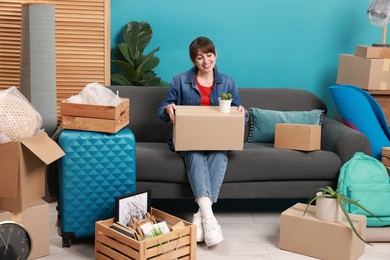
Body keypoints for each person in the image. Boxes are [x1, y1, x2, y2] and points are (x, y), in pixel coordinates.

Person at [157, 36, 247, 247]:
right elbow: (161, 110)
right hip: (190, 141)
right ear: (193, 60)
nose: (206, 61)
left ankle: (201, 215)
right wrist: (168, 108)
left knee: (218, 154)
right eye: (200, 57)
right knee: (195, 154)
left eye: (209, 55)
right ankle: (210, 218)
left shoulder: (228, 82)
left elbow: (241, 113)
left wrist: (243, 112)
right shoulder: (180, 80)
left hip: (218, 140)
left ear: (215, 54)